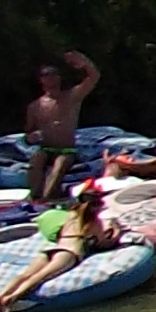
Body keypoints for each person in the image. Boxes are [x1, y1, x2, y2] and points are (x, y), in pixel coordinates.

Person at [0, 183, 112, 312]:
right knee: (40, 277)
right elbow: (104, 243)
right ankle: (11, 298)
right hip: (68, 253)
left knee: (25, 274)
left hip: (51, 249)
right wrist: (115, 232)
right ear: (96, 205)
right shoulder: (94, 221)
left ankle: (0, 295)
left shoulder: (71, 215)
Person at [23, 50, 101, 204]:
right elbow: (28, 132)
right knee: (37, 159)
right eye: (46, 75)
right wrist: (31, 137)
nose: (50, 77)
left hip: (66, 149)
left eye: (53, 74)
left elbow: (94, 77)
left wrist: (85, 63)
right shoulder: (35, 106)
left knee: (60, 164)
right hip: (46, 148)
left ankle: (46, 199)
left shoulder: (71, 97)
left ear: (59, 77)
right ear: (41, 80)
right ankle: (33, 196)